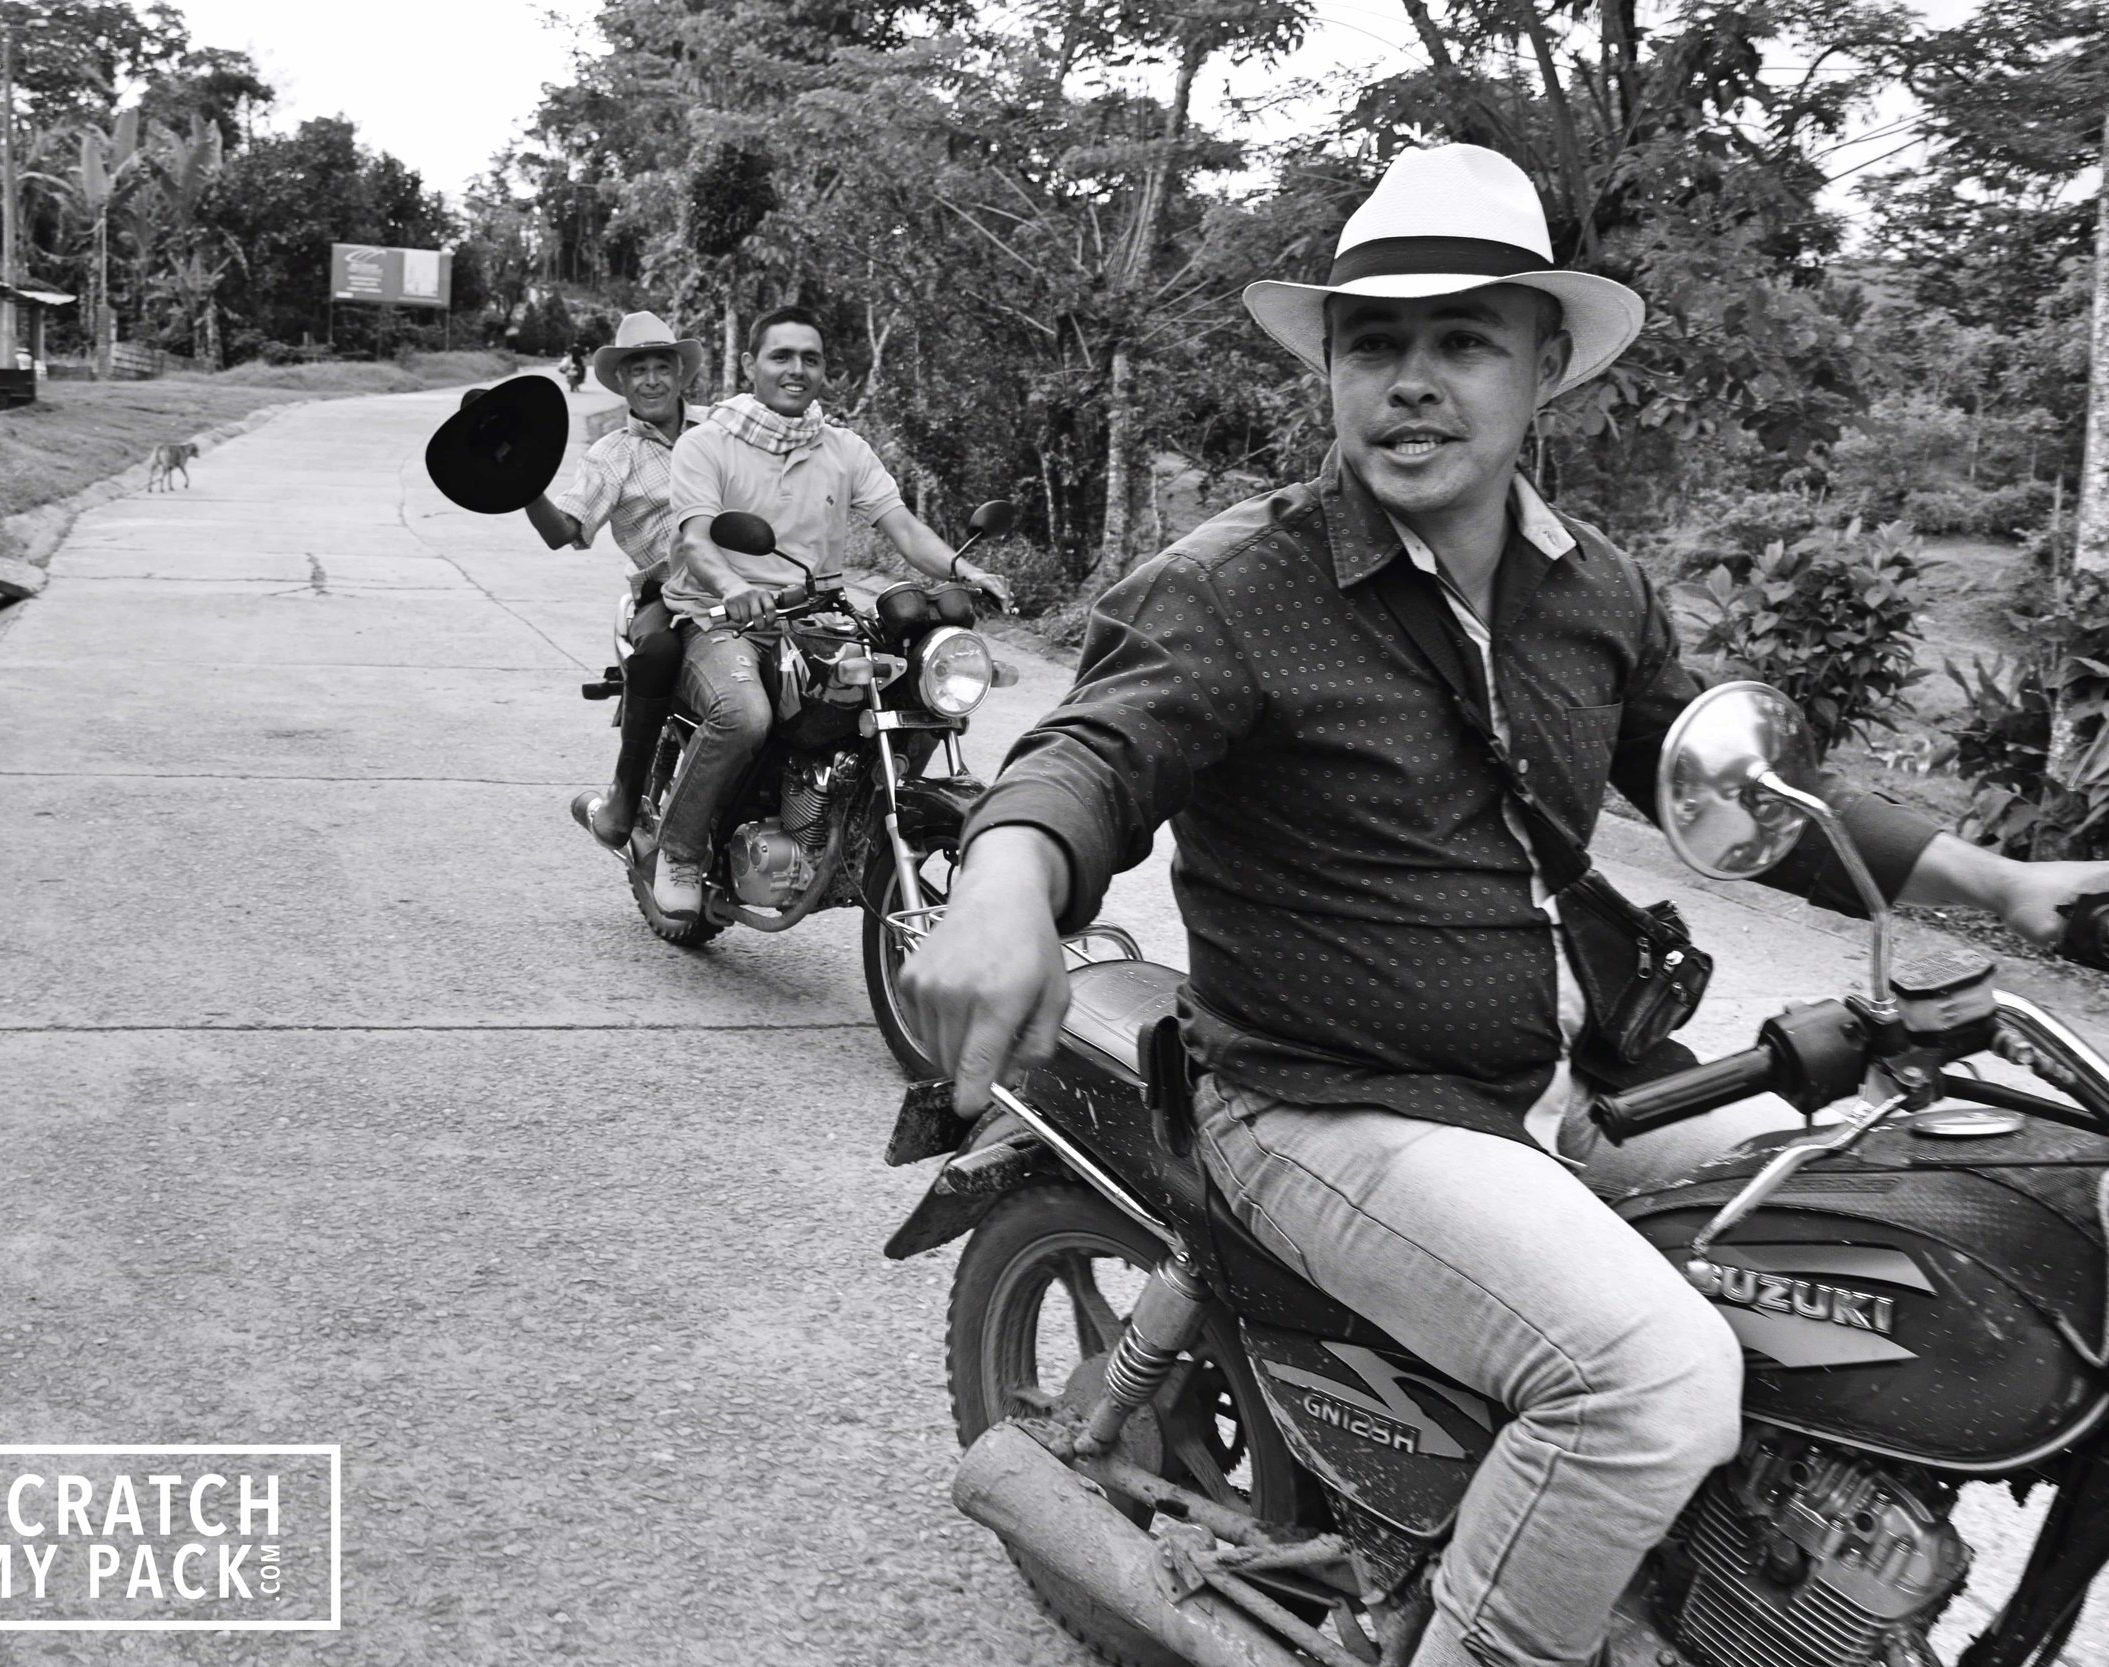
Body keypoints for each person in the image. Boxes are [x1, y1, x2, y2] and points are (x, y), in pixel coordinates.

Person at [898, 143, 2109, 1667]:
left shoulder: (1593, 588)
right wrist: (1007, 876)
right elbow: (1092, 751)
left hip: (1568, 1077)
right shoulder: (1235, 585)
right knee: (1649, 1376)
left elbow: (1733, 791)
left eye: (1462, 339)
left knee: (1897, 1237)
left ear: (1545, 367)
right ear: (1331, 371)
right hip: (1322, 1103)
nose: (1412, 380)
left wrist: (2007, 884)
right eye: (1374, 343)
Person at [648, 304, 1013, 917]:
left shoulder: (843, 448)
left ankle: (854, 836)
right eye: (781, 356)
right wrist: (734, 586)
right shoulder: (705, 443)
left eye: (810, 358)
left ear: (823, 370)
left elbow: (903, 527)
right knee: (743, 715)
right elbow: (697, 541)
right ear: (750, 364)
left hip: (817, 621)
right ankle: (680, 852)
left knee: (920, 701)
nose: (797, 369)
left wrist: (965, 571)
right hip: (720, 620)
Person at [521, 312, 707, 848]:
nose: (651, 381)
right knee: (658, 653)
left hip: (746, 581)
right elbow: (564, 532)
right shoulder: (610, 455)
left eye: (662, 368)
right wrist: (524, 485)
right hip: (665, 595)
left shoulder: (720, 429)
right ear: (621, 382)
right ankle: (626, 793)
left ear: (680, 374)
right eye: (638, 371)